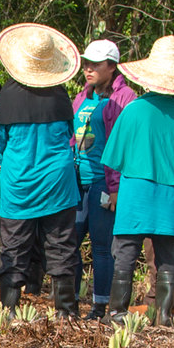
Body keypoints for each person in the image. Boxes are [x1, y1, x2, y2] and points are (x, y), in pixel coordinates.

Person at [103, 36, 174, 324]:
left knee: (126, 251)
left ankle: (117, 312)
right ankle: (164, 315)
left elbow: (113, 156)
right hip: (171, 193)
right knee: (167, 255)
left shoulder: (134, 110)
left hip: (136, 191)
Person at [0, 25, 83, 317]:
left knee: (14, 245)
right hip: (58, 179)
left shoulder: (8, 96)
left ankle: (9, 309)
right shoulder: (60, 94)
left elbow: (0, 143)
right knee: (61, 243)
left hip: (20, 180)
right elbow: (70, 132)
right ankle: (66, 312)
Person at [72, 39, 134, 319]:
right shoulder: (82, 96)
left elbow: (124, 146)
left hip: (102, 181)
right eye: (86, 63)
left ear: (112, 66)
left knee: (100, 245)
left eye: (96, 64)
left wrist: (116, 187)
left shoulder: (124, 97)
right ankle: (69, 301)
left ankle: (100, 305)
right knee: (69, 240)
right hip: (76, 180)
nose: (89, 69)